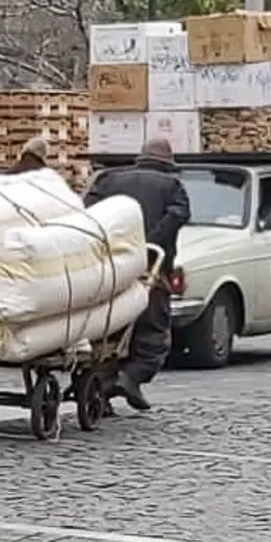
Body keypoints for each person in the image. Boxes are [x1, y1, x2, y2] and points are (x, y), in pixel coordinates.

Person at [84, 137, 191, 412]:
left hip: (109, 268)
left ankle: (102, 387)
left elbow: (88, 212)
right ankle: (130, 377)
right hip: (150, 269)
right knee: (153, 333)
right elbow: (178, 215)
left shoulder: (108, 180)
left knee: (108, 334)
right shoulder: (172, 186)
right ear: (168, 164)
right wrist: (147, 243)